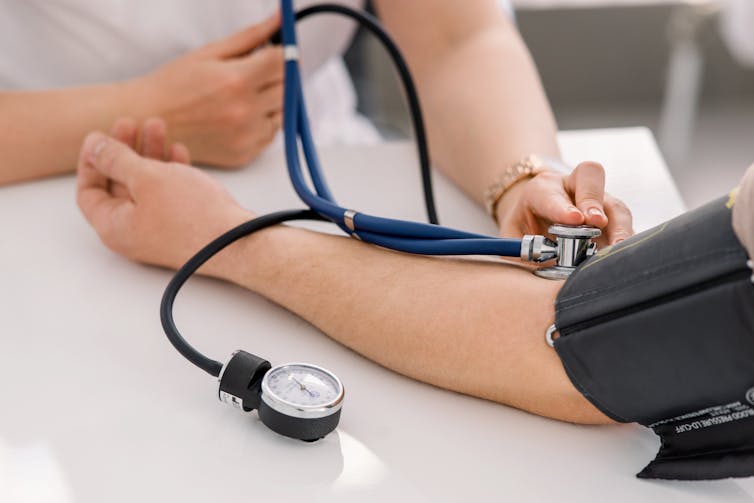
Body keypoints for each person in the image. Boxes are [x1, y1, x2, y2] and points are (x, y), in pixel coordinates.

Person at [0, 0, 632, 247]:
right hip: (45, 192)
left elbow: (457, 40)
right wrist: (138, 108)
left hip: (336, 182)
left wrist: (522, 180)